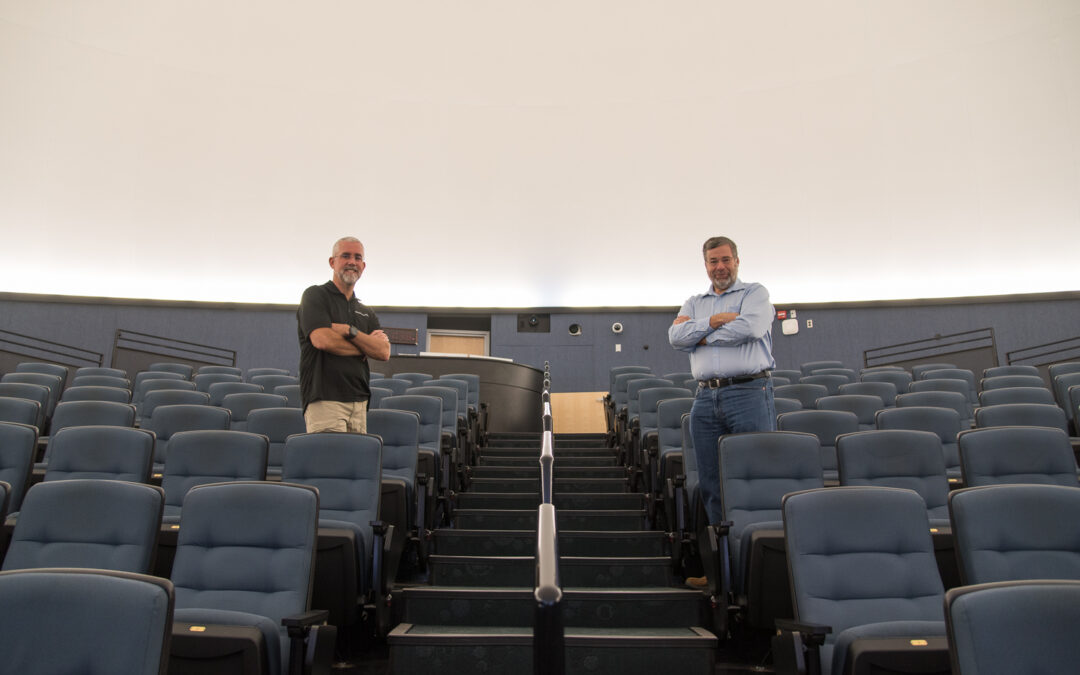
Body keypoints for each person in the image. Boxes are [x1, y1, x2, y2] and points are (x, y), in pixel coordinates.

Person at [668, 236, 777, 587]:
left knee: (754, 483)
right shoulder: (694, 301)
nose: (720, 267)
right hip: (705, 399)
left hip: (748, 392)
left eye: (726, 259)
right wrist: (716, 322)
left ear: (737, 260)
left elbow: (751, 328)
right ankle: (723, 575)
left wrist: (698, 335)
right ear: (705, 265)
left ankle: (755, 575)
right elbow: (674, 336)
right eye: (713, 261)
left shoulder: (754, 294)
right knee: (712, 486)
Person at [297, 236, 391, 433]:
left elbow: (383, 352)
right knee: (329, 463)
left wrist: (350, 331)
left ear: (363, 266)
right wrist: (365, 347)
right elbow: (322, 340)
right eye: (345, 256)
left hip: (359, 403)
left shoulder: (366, 311)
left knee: (355, 464)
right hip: (325, 400)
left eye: (358, 258)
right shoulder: (315, 296)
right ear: (332, 262)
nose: (352, 262)